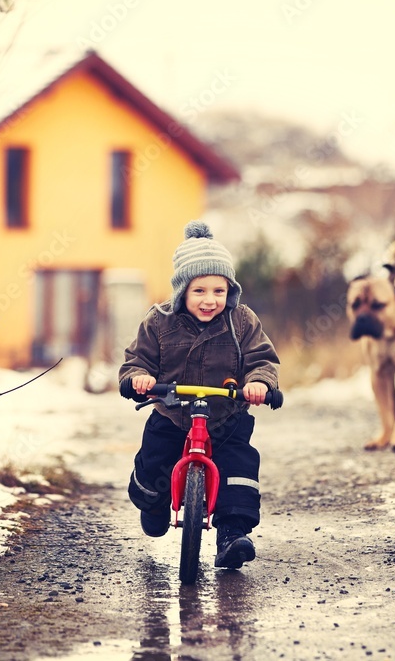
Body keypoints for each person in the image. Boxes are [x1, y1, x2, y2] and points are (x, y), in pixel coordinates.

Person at [120, 220, 280, 570]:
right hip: (172, 412)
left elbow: (261, 359)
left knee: (238, 466)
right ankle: (154, 503)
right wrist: (140, 378)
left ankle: (231, 534)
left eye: (219, 292)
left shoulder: (241, 322)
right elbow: (138, 360)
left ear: (230, 291)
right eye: (200, 291)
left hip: (226, 416)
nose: (210, 300)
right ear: (181, 291)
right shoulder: (159, 322)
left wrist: (260, 384)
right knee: (154, 464)